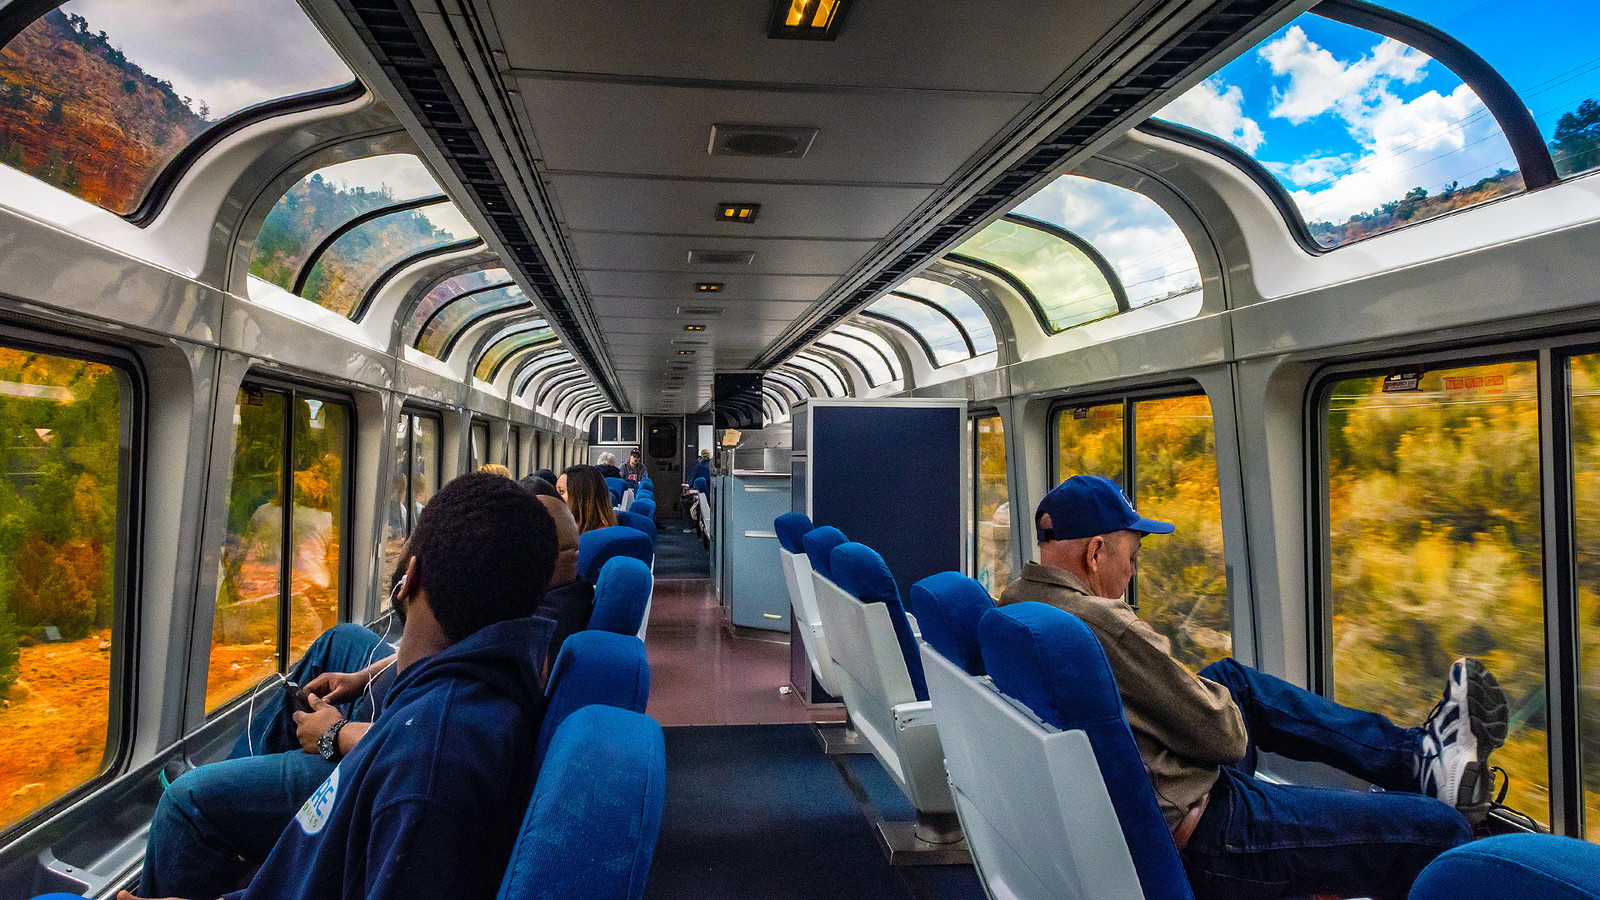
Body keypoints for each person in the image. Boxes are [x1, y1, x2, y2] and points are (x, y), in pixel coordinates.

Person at [999, 475, 1509, 900]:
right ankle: (1419, 766)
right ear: (1095, 553)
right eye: (1131, 557)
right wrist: (1199, 704)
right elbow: (1227, 739)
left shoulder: (1016, 607)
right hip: (1209, 836)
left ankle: (1415, 757)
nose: (1132, 572)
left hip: (1138, 798)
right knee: (1437, 830)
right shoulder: (1101, 624)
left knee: (1232, 680)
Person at [125, 473, 559, 900]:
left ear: (410, 576)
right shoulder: (503, 666)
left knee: (184, 803)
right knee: (342, 640)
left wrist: (334, 734)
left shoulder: (425, 779)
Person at [557, 464, 617, 534]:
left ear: (580, 497)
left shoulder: (599, 534)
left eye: (561, 492)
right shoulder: (567, 525)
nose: (555, 496)